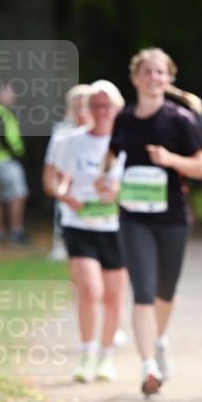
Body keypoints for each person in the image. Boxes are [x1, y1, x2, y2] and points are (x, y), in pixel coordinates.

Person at [101, 47, 202, 397]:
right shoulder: (125, 119)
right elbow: (111, 159)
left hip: (172, 216)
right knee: (143, 291)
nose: (153, 78)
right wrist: (108, 181)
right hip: (134, 216)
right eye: (146, 72)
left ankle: (159, 339)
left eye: (159, 72)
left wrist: (170, 159)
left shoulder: (180, 120)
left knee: (165, 291)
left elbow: (201, 167)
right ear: (135, 79)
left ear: (169, 78)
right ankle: (147, 365)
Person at [49, 81, 128, 382]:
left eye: (106, 106)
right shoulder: (70, 141)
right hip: (78, 224)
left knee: (113, 296)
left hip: (115, 227)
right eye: (94, 105)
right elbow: (56, 179)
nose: (100, 111)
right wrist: (65, 194)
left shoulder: (126, 143)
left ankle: (106, 357)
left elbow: (141, 183)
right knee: (90, 291)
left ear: (117, 109)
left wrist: (117, 191)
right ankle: (86, 354)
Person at [43, 84, 93, 262]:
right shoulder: (62, 132)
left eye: (84, 103)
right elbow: (52, 165)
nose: (80, 109)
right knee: (63, 212)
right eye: (76, 104)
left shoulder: (101, 130)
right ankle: (60, 245)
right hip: (67, 183)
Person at [0, 84, 30, 245]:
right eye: (9, 93)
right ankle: (16, 232)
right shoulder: (0, 112)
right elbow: (3, 137)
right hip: (4, 160)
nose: (12, 96)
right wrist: (15, 153)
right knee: (18, 195)